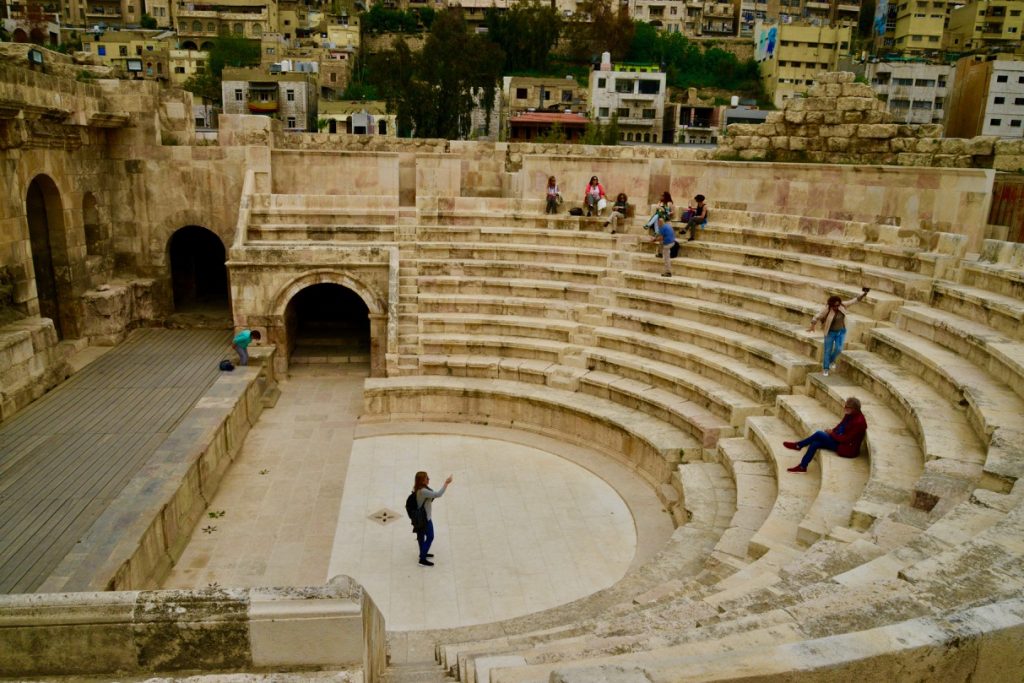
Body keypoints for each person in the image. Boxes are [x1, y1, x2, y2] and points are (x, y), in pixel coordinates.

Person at [784, 397, 867, 472]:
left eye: (847, 407)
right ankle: (802, 466)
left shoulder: (859, 422)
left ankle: (798, 445)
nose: (845, 408)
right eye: (845, 406)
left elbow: (846, 439)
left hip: (847, 448)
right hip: (839, 440)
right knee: (815, 443)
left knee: (819, 434)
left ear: (854, 409)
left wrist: (832, 434)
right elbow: (841, 425)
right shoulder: (850, 414)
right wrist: (832, 431)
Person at [808, 288, 869, 376]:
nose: (836, 307)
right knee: (827, 350)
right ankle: (826, 368)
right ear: (831, 305)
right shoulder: (827, 309)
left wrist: (863, 294)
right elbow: (817, 316)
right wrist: (812, 325)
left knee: (839, 349)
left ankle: (831, 361)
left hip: (841, 332)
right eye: (834, 306)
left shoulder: (842, 305)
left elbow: (854, 301)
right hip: (830, 333)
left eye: (837, 305)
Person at [413, 471, 453, 567]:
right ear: (422, 481)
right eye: (427, 478)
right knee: (430, 537)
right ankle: (422, 560)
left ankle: (423, 553)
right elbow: (438, 494)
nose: (428, 479)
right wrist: (446, 483)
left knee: (421, 537)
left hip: (419, 518)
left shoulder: (418, 488)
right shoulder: (423, 491)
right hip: (425, 519)